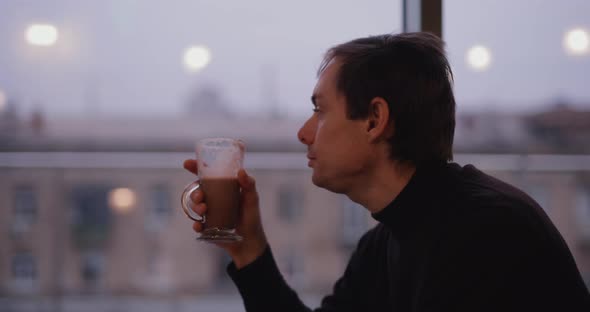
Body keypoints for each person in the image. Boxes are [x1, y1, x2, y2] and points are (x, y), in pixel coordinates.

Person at [182, 32, 590, 311]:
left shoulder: (485, 231)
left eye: (320, 111)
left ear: (375, 119)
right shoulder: (387, 241)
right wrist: (247, 247)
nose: (303, 132)